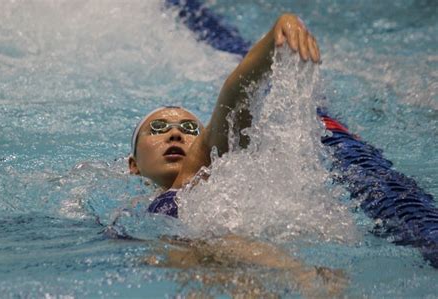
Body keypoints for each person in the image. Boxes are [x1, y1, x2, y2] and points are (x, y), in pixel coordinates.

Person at [125, 13, 346, 297]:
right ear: (133, 166)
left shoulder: (194, 181)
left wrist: (275, 35)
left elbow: (234, 97)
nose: (175, 134)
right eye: (158, 127)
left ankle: (306, 278)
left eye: (190, 128)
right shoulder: (132, 212)